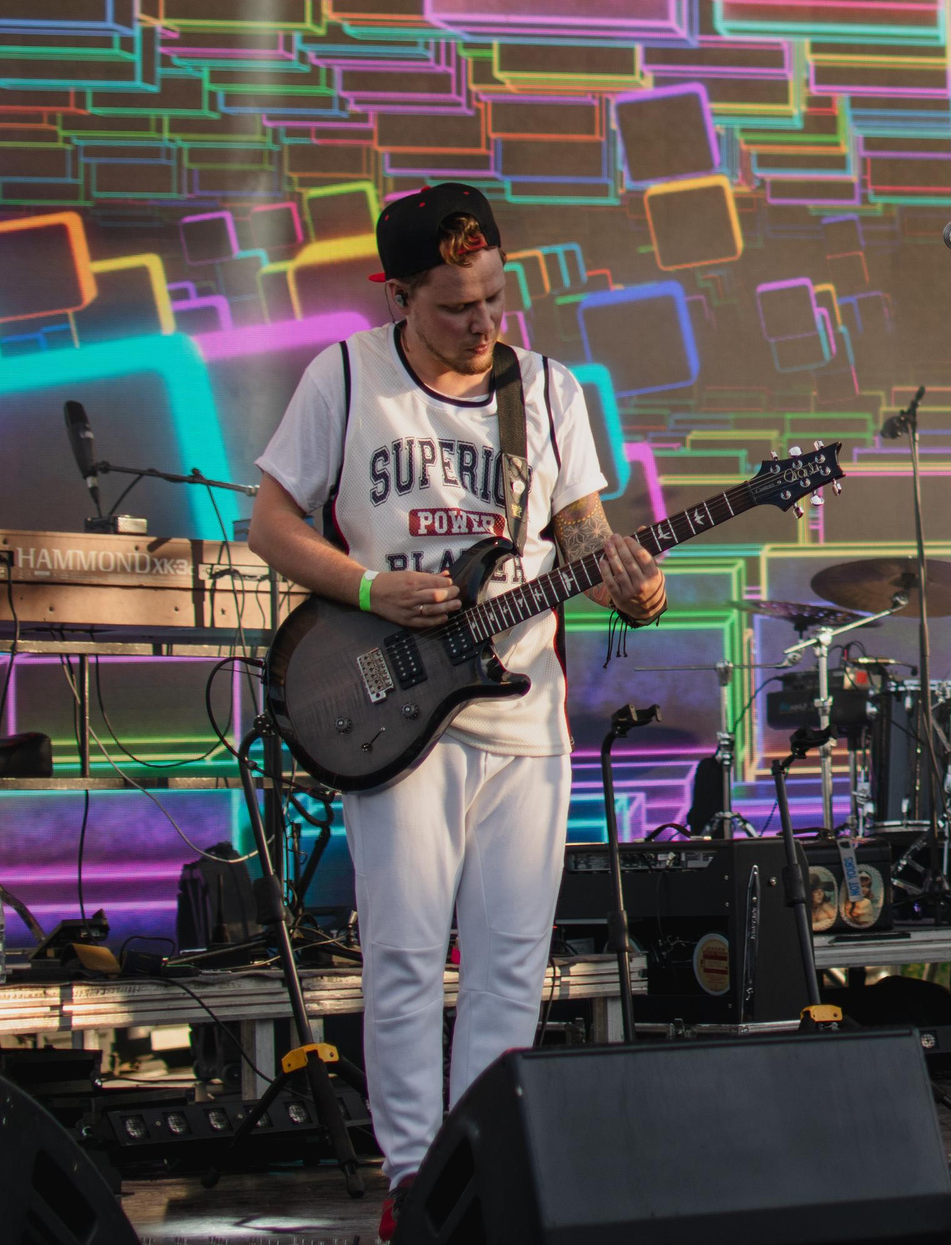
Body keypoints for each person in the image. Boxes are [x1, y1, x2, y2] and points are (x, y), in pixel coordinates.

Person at [246, 183, 663, 1240]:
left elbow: (580, 531)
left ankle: (482, 1179)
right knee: (402, 955)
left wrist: (631, 583)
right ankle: (412, 1183)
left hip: (521, 706)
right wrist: (366, 586)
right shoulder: (346, 377)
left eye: (493, 298)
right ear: (398, 295)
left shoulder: (549, 389)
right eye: (454, 305)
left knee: (511, 961)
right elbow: (270, 523)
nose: (482, 323)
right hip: (397, 706)